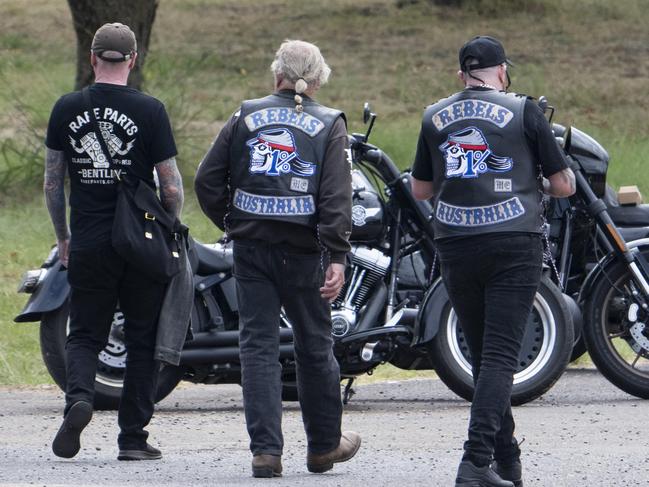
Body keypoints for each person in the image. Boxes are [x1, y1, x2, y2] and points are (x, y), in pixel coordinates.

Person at [411, 36, 575, 487]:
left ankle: (507, 461)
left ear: (461, 74)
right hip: (512, 242)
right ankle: (474, 461)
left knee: (486, 357)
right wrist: (532, 183)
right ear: (502, 71)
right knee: (502, 355)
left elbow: (421, 190)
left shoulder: (433, 115)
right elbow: (564, 185)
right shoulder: (524, 110)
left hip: (456, 244)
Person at [194, 39, 360, 478]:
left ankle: (266, 452)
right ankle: (324, 446)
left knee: (258, 348)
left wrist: (233, 221)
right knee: (314, 345)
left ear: (277, 75)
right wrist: (337, 254)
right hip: (307, 254)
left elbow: (207, 181)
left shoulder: (244, 115)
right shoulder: (330, 124)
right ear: (319, 79)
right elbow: (336, 198)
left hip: (252, 250)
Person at [44, 22, 183, 461]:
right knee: (142, 339)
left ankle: (79, 400)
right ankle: (133, 440)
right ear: (133, 60)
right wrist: (167, 226)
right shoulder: (151, 110)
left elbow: (52, 183)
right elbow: (173, 186)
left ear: (92, 59)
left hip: (88, 238)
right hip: (139, 241)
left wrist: (63, 237)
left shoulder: (66, 108)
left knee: (84, 334)